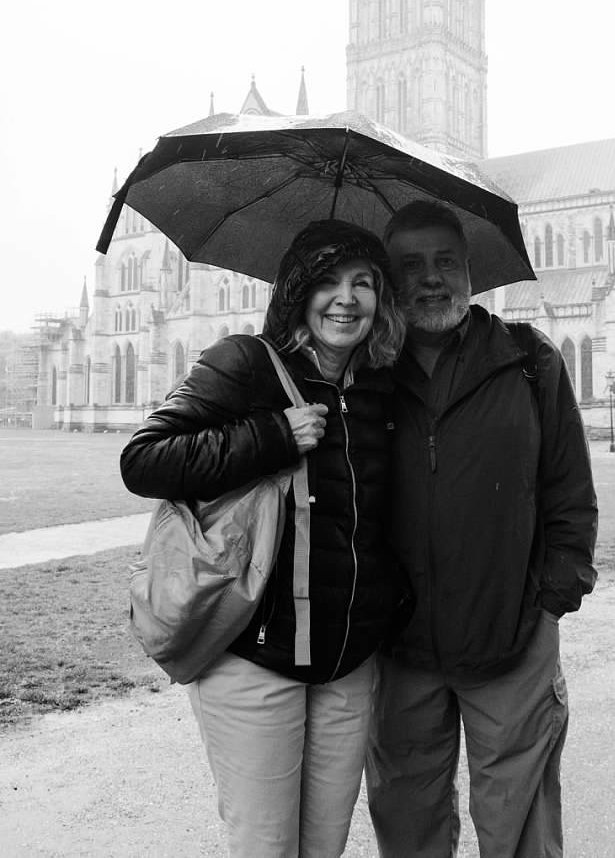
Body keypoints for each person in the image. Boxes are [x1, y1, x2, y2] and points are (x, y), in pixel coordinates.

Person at [120, 219, 410, 858]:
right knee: (266, 847)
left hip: (346, 665)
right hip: (255, 657)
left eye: (363, 283)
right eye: (328, 281)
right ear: (298, 291)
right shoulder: (245, 363)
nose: (346, 299)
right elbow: (143, 460)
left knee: (324, 846)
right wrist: (273, 435)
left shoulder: (381, 386)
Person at [365, 200, 598, 858]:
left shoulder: (528, 360)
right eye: (411, 265)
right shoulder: (366, 374)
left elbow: (570, 494)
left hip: (511, 640)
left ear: (470, 269)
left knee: (520, 831)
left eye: (445, 261)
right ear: (389, 280)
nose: (430, 278)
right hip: (399, 649)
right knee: (407, 825)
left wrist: (551, 604)